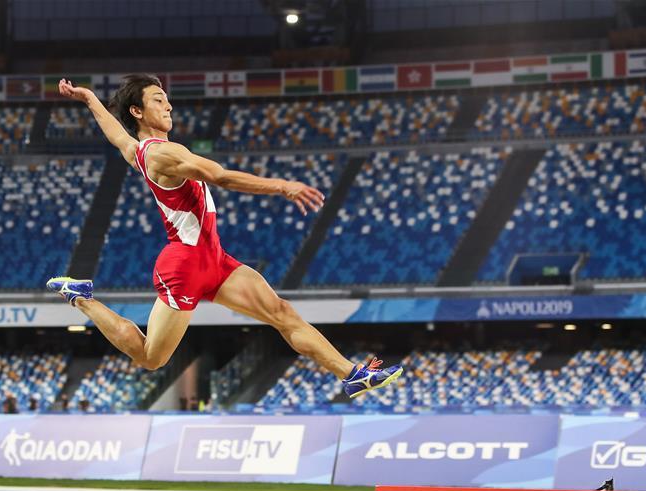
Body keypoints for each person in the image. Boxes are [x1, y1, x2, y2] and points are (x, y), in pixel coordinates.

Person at [47, 75, 401, 399]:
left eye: (167, 99)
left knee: (282, 313)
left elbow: (118, 135)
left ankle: (352, 374)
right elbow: (221, 176)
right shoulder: (162, 153)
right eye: (158, 100)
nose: (168, 105)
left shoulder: (138, 151)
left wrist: (90, 99)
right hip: (184, 265)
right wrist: (282, 186)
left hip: (214, 260)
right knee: (150, 357)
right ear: (137, 110)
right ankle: (81, 299)